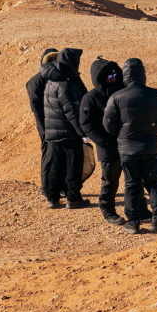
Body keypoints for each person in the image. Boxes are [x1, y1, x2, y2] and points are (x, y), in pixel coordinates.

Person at [102, 58, 157, 235]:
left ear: (125, 75)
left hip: (127, 149)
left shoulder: (117, 97)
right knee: (155, 184)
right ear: (143, 74)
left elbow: (108, 124)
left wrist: (122, 134)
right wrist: (154, 131)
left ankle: (133, 223)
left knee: (131, 184)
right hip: (151, 146)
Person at [42, 47, 90, 208]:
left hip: (53, 131)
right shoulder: (66, 83)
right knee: (74, 167)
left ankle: (52, 198)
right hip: (68, 132)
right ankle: (73, 198)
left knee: (57, 165)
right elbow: (72, 111)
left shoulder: (52, 78)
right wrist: (83, 132)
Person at [80, 57, 124, 226]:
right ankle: (108, 210)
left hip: (127, 143)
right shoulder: (91, 98)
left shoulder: (123, 92)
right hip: (107, 147)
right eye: (108, 76)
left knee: (135, 179)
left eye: (115, 74)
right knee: (110, 180)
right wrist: (103, 142)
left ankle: (139, 210)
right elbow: (86, 123)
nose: (112, 78)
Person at [26, 47, 59, 200]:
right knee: (49, 156)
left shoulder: (59, 78)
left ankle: (61, 187)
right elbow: (36, 108)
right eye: (52, 60)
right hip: (46, 124)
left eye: (57, 60)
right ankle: (46, 188)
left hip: (61, 124)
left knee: (62, 156)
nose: (55, 63)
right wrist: (43, 129)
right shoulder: (35, 82)